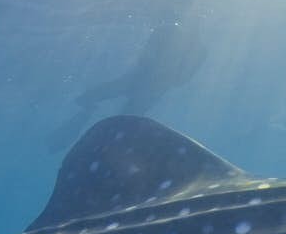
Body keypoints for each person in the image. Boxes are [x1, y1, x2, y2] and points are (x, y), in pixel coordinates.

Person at [46, 15, 206, 152]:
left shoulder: (180, 37)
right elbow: (179, 79)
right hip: (146, 81)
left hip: (147, 82)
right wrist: (162, 74)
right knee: (112, 110)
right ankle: (90, 128)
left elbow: (152, 60)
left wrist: (158, 72)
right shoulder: (182, 38)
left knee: (121, 115)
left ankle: (100, 139)